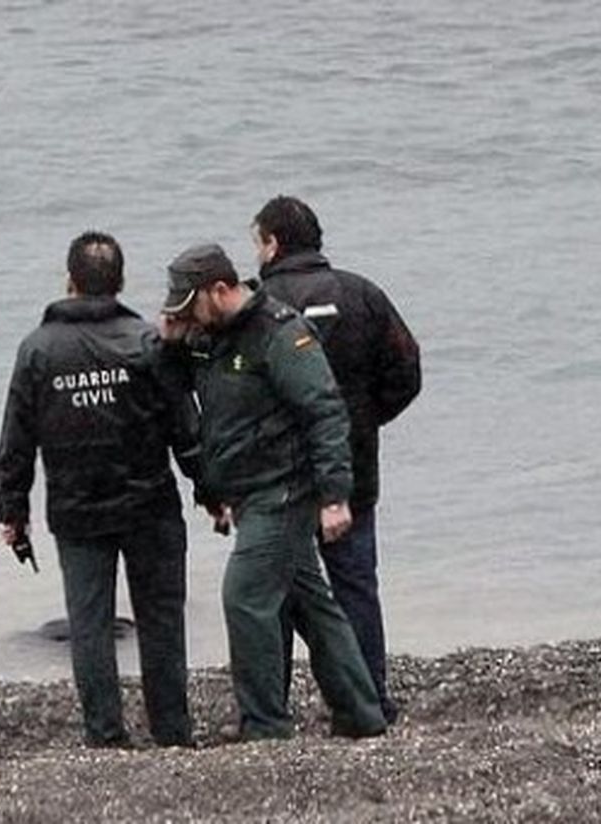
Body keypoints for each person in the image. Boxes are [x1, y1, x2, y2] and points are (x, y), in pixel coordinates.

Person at [160, 242, 386, 741]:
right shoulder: (212, 337)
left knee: (244, 597)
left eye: (188, 306)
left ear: (219, 290)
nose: (186, 317)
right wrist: (170, 340)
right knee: (311, 606)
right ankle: (362, 713)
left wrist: (334, 496)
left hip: (283, 491)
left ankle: (265, 724)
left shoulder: (281, 334)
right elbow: (176, 382)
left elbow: (325, 412)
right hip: (246, 491)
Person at [0, 231, 199, 748]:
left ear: (69, 282)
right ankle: (172, 731)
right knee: (160, 618)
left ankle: (105, 734)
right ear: (121, 282)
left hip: (77, 509)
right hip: (149, 504)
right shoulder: (146, 342)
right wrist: (212, 487)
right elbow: (185, 426)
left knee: (89, 623)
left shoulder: (38, 349)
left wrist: (12, 509)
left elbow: (17, 438)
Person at [250, 196, 421, 723]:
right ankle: (369, 697)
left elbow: (235, 393)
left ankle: (271, 708)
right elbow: (406, 371)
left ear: (273, 244)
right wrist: (364, 420)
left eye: (256, 242)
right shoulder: (362, 294)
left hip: (276, 474)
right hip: (352, 468)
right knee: (354, 586)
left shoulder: (258, 305)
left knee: (273, 591)